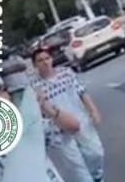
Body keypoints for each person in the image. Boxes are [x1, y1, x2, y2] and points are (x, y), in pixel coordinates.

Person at [31, 49, 104, 182]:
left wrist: (93, 110)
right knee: (77, 167)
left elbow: (82, 92)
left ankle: (97, 177)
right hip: (59, 132)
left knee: (96, 153)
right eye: (40, 61)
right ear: (35, 65)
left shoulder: (66, 73)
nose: (45, 62)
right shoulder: (35, 86)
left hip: (81, 122)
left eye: (47, 58)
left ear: (51, 59)